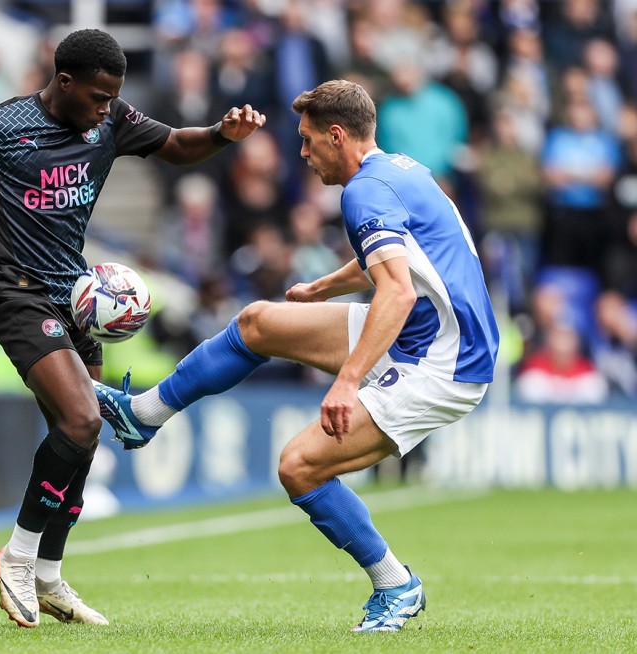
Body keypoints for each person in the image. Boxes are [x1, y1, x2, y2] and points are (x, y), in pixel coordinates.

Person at [0, 28, 265, 629]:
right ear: (64, 82)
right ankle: (16, 558)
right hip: (14, 293)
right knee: (81, 418)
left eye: (113, 98)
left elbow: (177, 144)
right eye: (98, 96)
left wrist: (222, 136)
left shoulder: (111, 120)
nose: (105, 108)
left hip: (74, 297)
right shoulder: (0, 125)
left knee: (80, 439)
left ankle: (48, 576)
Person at [93, 80, 499, 632]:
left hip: (444, 363)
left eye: (308, 141)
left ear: (337, 135)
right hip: (425, 333)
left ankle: (396, 584)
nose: (303, 154)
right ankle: (142, 416)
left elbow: (397, 291)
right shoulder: (401, 170)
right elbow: (397, 259)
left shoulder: (363, 193)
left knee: (299, 466)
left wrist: (348, 381)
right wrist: (323, 289)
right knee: (259, 322)